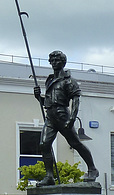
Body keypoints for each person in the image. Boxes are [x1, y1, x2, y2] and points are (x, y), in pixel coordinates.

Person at [33, 50, 99, 186]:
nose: (54, 63)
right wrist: (39, 97)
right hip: (50, 116)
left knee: (75, 143)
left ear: (63, 63)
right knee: (44, 145)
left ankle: (92, 168)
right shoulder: (50, 80)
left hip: (62, 115)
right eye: (52, 61)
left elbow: (75, 100)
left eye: (58, 61)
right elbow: (49, 101)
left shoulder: (69, 81)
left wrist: (72, 119)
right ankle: (49, 176)